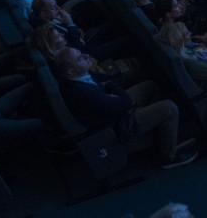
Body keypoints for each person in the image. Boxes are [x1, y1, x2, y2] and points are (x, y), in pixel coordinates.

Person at [54, 46, 197, 169]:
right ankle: (168, 156)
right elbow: (125, 102)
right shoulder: (82, 92)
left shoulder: (82, 74)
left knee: (150, 86)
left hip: (117, 109)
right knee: (169, 108)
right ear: (71, 72)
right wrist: (113, 92)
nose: (86, 56)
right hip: (118, 124)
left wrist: (111, 90)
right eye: (80, 58)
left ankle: (158, 138)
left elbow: (109, 81)